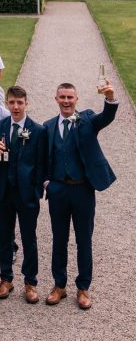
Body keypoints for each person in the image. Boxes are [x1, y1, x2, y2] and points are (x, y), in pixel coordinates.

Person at [42, 81, 118, 310]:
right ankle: (59, 285)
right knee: (59, 239)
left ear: (76, 99)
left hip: (83, 190)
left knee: (84, 240)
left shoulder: (87, 119)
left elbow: (106, 117)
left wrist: (110, 97)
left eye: (70, 97)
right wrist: (47, 183)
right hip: (58, 191)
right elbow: (43, 158)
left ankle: (83, 287)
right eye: (62, 97)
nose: (66, 101)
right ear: (56, 99)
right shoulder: (48, 126)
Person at [0, 86, 47, 303]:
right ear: (7, 104)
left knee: (29, 238)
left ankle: (30, 282)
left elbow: (41, 164)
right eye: (12, 102)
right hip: (4, 192)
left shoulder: (38, 130)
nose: (15, 107)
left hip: (26, 194)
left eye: (19, 103)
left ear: (26, 104)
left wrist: (36, 190)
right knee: (5, 237)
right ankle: (6, 278)